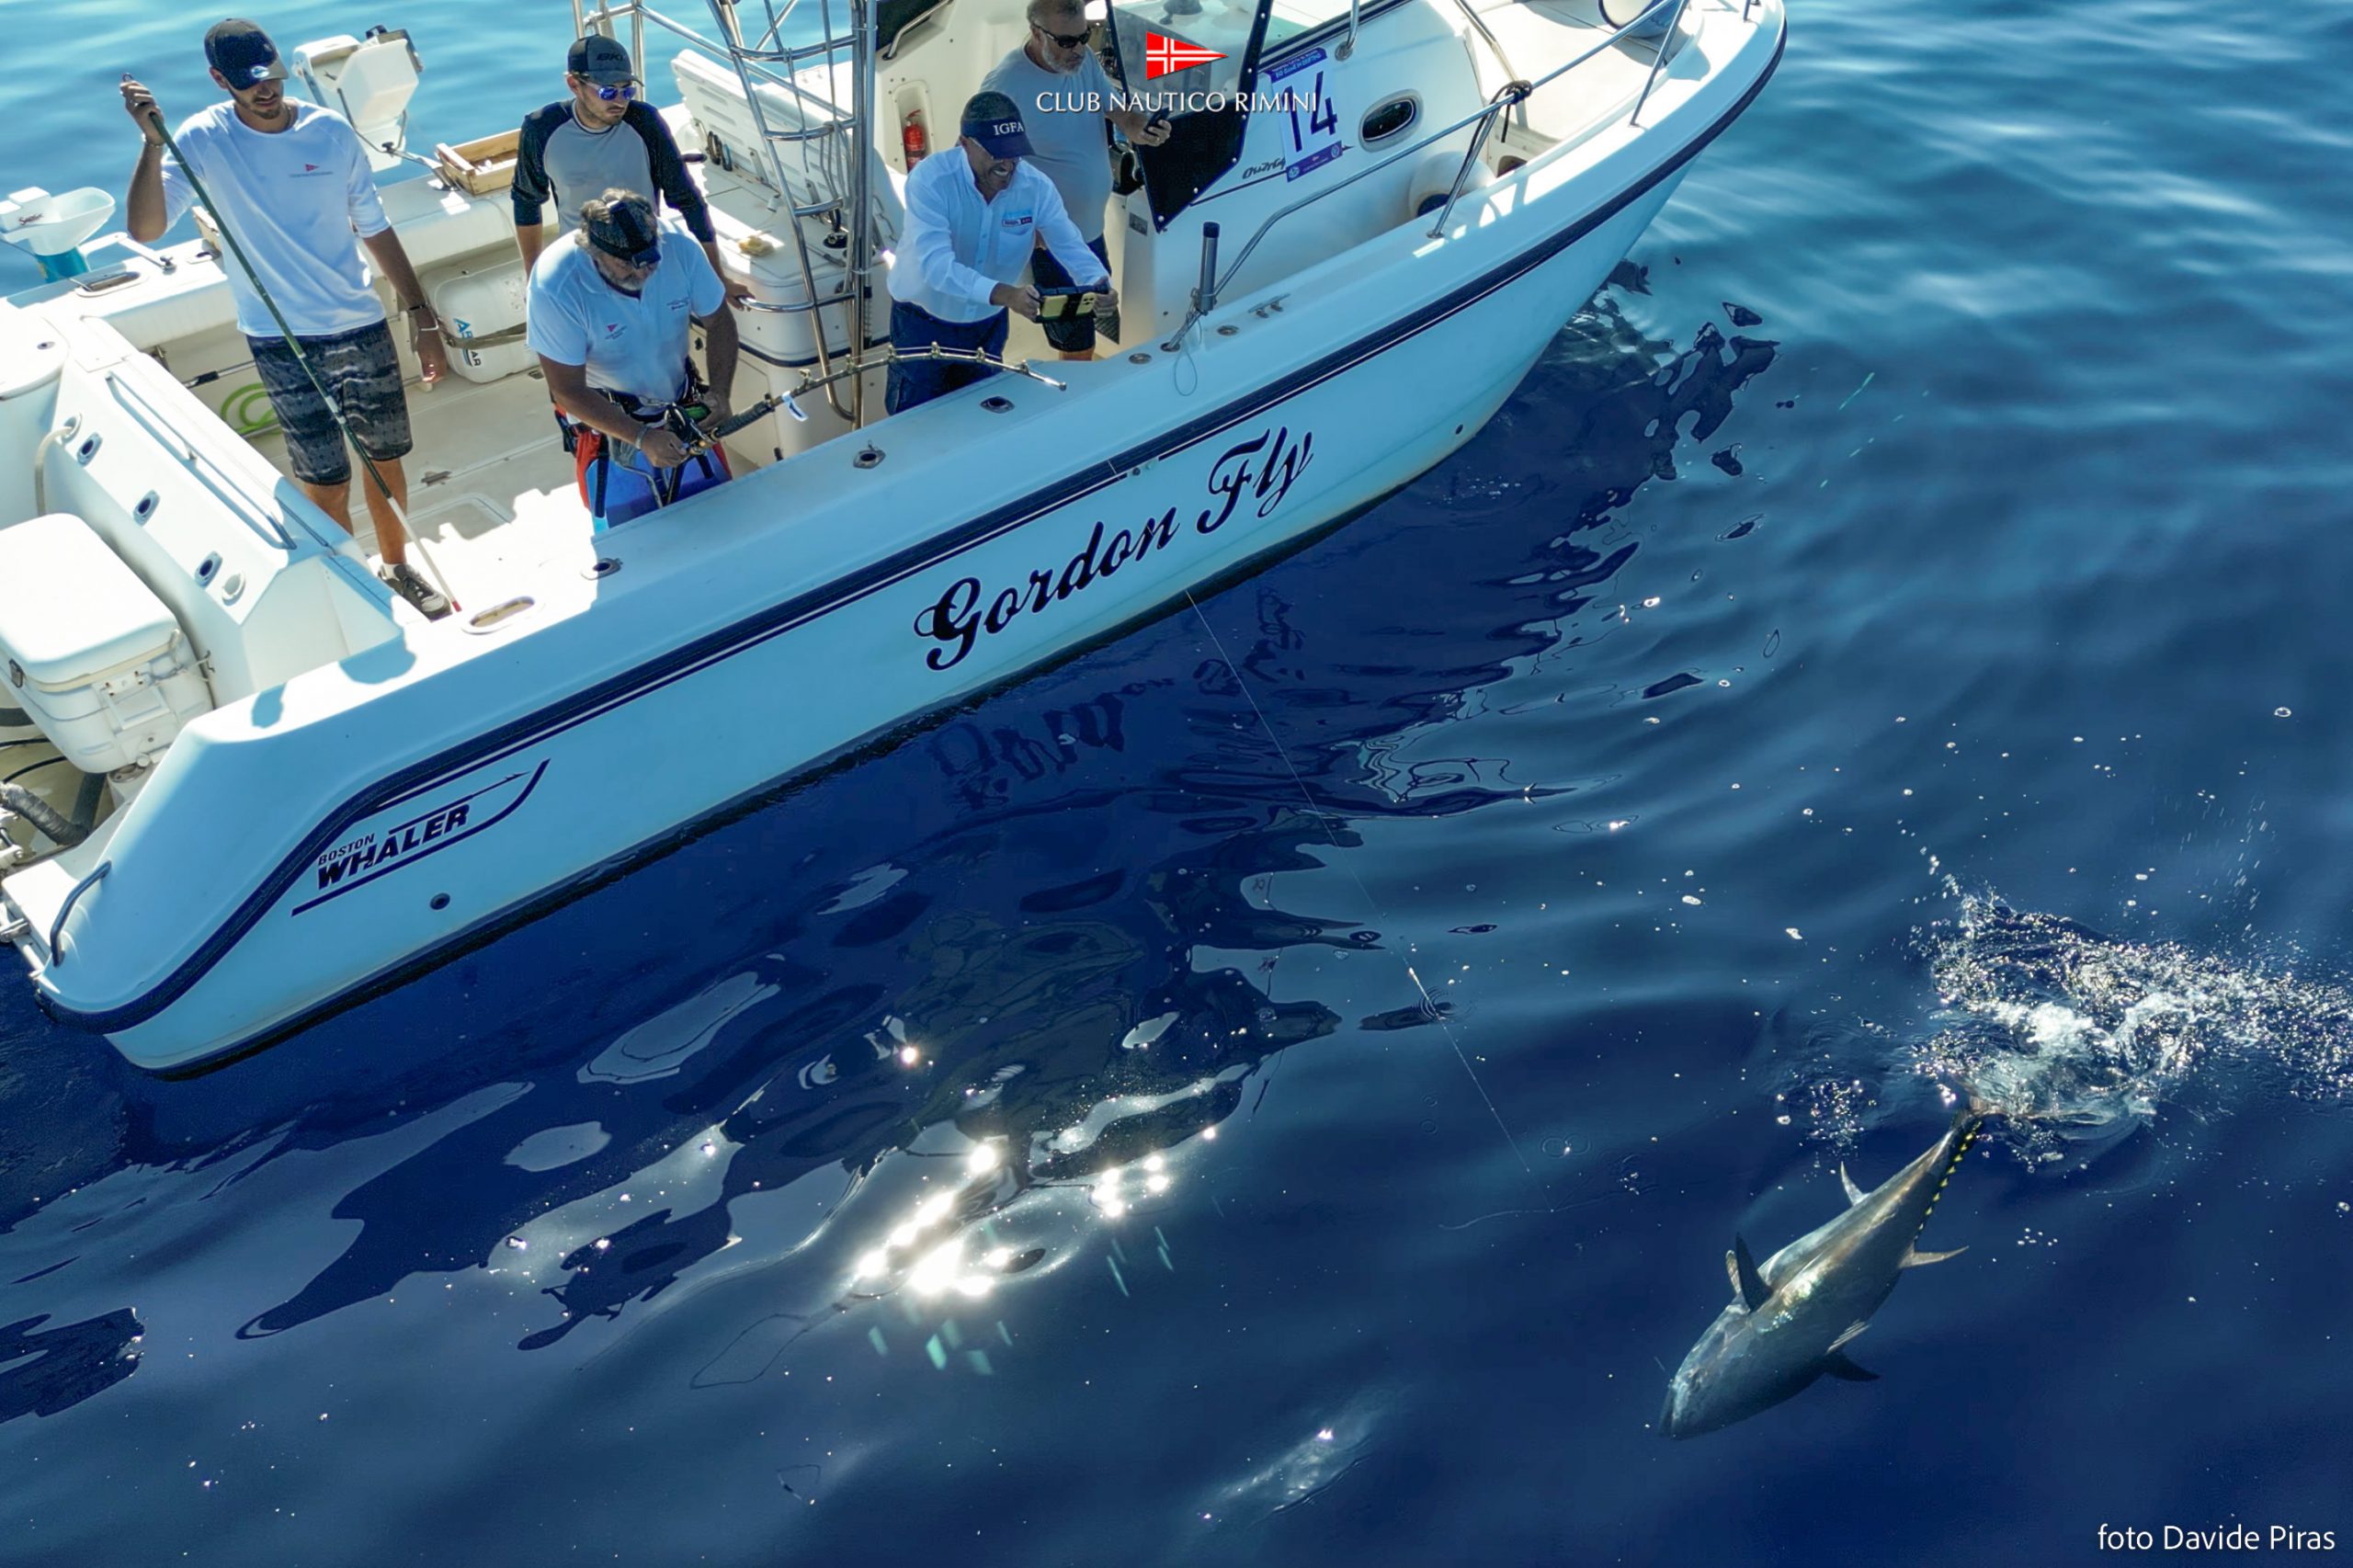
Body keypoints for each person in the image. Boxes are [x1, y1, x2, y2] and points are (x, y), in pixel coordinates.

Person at [120, 18, 452, 618]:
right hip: (279, 338)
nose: (266, 90)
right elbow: (145, 229)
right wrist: (152, 143)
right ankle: (354, 587)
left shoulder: (331, 132)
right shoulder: (201, 138)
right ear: (219, 79)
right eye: (249, 82)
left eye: (271, 76)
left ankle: (397, 566)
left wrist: (420, 313)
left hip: (360, 324)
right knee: (325, 479)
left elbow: (374, 227)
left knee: (384, 460)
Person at [885, 92, 1111, 415]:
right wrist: (1007, 295)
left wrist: (1097, 281)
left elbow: (1068, 242)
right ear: (964, 143)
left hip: (987, 324)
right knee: (914, 420)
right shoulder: (931, 180)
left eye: (1015, 153)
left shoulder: (1036, 187)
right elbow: (936, 267)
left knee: (983, 416)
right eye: (997, 153)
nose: (1008, 164)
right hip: (921, 323)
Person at [526, 189, 742, 527]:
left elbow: (720, 322)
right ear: (593, 251)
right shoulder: (555, 285)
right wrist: (641, 437)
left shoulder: (680, 247)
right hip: (610, 431)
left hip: (683, 411)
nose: (641, 273)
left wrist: (720, 393)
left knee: (720, 519)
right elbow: (566, 390)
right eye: (626, 264)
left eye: (649, 260)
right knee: (632, 537)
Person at [979, 0, 1166, 358]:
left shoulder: (1083, 62)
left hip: (1089, 232)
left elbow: (1114, 109)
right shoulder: (1005, 85)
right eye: (1066, 41)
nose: (1078, 49)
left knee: (1090, 321)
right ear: (1036, 32)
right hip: (1051, 242)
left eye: (1084, 36)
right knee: (1077, 342)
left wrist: (1139, 128)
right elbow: (979, 164)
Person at [511, 35, 750, 305]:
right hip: (582, 267)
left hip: (646, 264)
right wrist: (534, 282)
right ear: (574, 84)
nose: (620, 102)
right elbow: (527, 202)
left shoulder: (644, 122)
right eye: (608, 92)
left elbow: (687, 199)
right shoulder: (542, 129)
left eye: (627, 91)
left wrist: (718, 277)